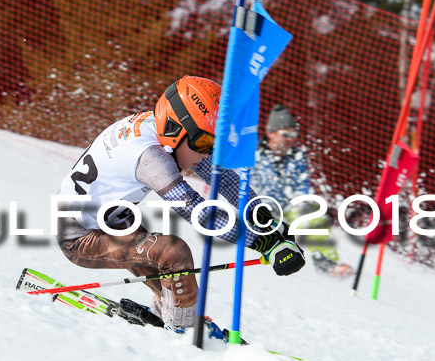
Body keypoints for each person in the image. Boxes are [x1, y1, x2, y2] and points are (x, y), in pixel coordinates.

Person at [56, 76, 305, 334]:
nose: (208, 153)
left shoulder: (169, 131)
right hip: (80, 237)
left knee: (160, 261)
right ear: (175, 129)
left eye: (215, 144)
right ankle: (183, 329)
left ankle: (168, 310)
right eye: (205, 143)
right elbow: (199, 213)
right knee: (173, 252)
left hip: (116, 220)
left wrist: (265, 220)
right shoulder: (150, 156)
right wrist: (264, 243)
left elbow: (223, 179)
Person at [249, 104, 353, 278]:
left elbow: (302, 187)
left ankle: (327, 262)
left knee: (314, 216)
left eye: (294, 135)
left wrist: (302, 205)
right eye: (286, 134)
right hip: (261, 211)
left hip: (288, 209)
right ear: (271, 133)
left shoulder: (296, 156)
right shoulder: (254, 155)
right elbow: (246, 186)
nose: (290, 139)